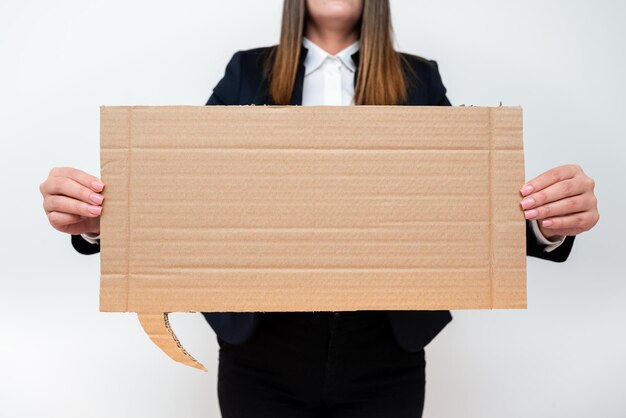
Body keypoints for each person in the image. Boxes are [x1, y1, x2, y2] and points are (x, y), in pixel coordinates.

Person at [39, 0, 600, 416]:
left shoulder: (417, 77)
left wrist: (545, 223)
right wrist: (98, 226)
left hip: (384, 347)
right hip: (262, 347)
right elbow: (192, 191)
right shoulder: (246, 71)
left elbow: (462, 206)